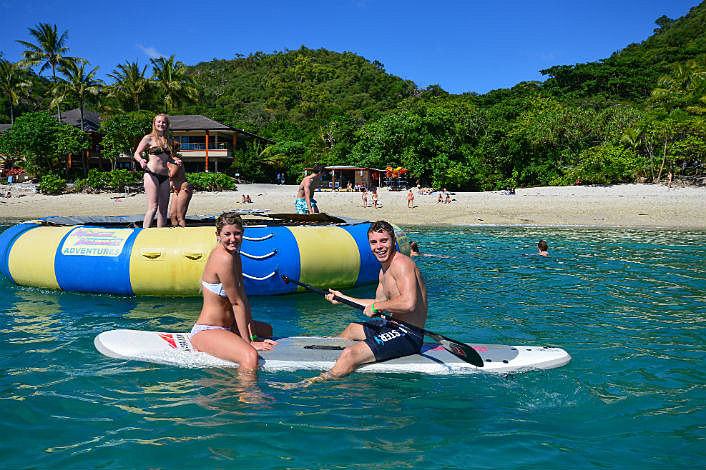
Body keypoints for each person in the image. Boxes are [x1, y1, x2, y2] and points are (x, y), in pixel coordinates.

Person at [278, 221, 427, 387]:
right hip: (391, 326)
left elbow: (408, 303)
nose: (379, 246)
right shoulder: (383, 269)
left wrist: (376, 307)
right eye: (374, 242)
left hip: (407, 334)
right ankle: (320, 347)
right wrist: (343, 298)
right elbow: (380, 303)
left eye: (384, 241)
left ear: (393, 241)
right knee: (352, 328)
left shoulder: (402, 263)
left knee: (350, 354)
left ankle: (310, 383)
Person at [189, 212, 277, 377]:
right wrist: (249, 343)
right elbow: (236, 303)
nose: (233, 238)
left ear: (242, 233)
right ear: (218, 235)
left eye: (237, 233)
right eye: (227, 234)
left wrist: (254, 335)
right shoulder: (223, 258)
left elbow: (243, 298)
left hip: (229, 327)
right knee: (250, 356)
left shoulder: (235, 256)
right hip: (208, 329)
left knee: (267, 330)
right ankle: (247, 397)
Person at [133, 114, 182, 228]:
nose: (161, 124)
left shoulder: (168, 140)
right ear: (154, 124)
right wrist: (141, 161)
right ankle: (144, 233)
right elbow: (136, 153)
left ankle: (160, 235)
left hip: (165, 177)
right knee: (153, 207)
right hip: (151, 174)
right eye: (159, 122)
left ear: (167, 124)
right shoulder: (148, 138)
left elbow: (167, 158)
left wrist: (175, 161)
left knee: (163, 210)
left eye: (164, 122)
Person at [168, 154, 193, 227]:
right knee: (172, 216)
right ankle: (175, 234)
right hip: (176, 190)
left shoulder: (175, 161)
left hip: (184, 189)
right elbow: (171, 181)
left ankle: (183, 235)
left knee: (180, 216)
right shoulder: (167, 162)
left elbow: (171, 175)